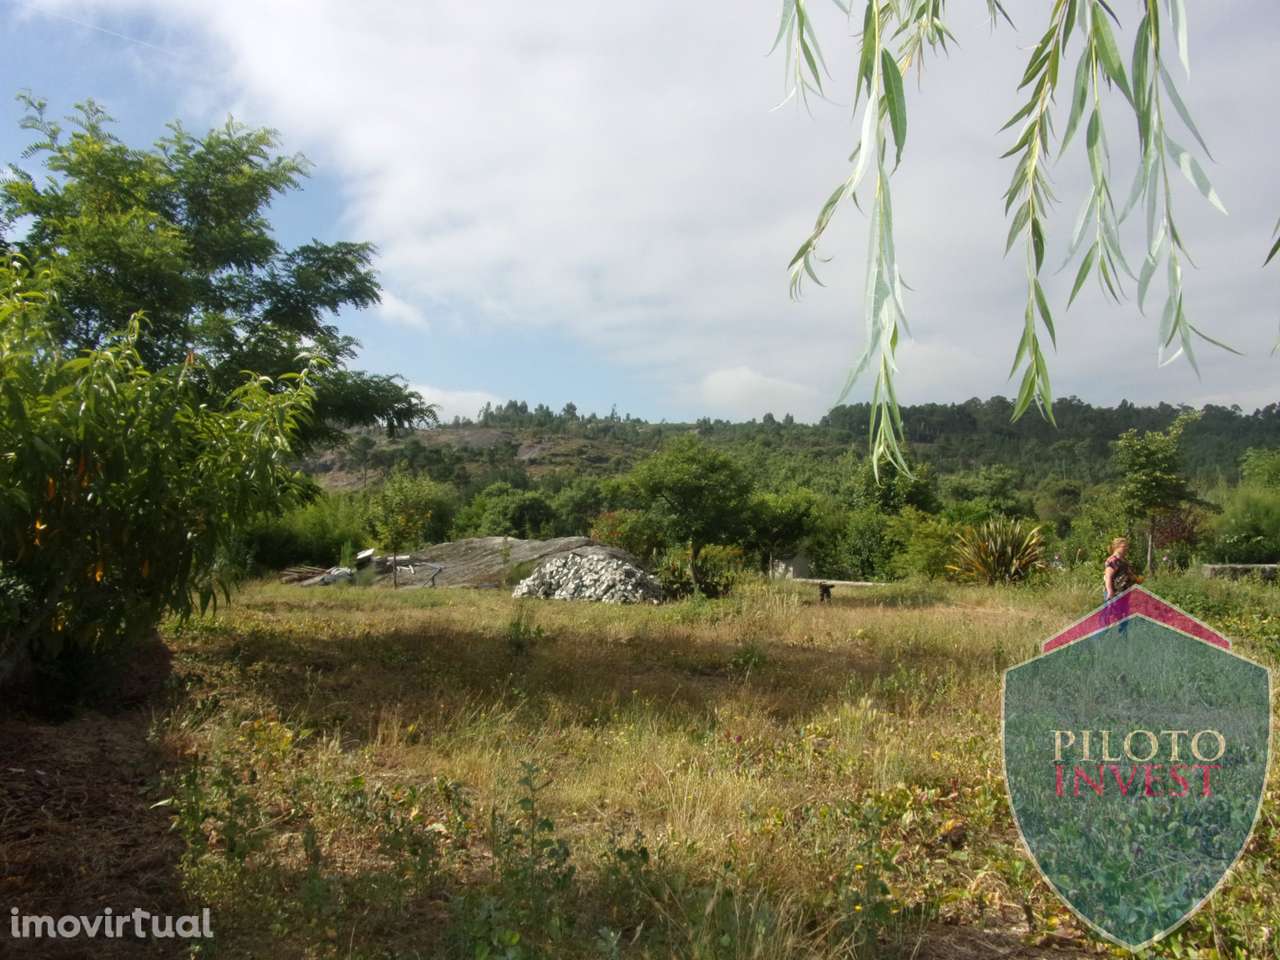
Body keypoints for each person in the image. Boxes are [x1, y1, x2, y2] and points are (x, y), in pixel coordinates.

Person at [1103, 537, 1136, 602]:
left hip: (1124, 593)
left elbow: (1127, 574)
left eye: (1127, 546)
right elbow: (1108, 577)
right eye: (1124, 546)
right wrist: (1110, 591)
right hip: (1115, 593)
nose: (1126, 548)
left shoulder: (1124, 560)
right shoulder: (1113, 560)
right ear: (1117, 547)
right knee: (1113, 612)